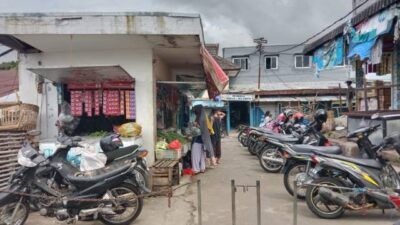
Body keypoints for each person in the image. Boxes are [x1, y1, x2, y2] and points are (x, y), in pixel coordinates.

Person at [191, 105, 216, 174]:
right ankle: (202, 168)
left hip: (200, 138)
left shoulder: (201, 118)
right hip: (203, 139)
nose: (195, 112)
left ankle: (196, 169)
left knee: (195, 153)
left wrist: (196, 126)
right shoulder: (203, 116)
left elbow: (202, 129)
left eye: (195, 111)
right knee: (202, 154)